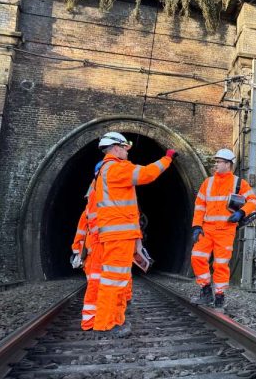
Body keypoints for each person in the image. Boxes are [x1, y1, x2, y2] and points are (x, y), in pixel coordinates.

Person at [92, 132, 177, 337]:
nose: (127, 151)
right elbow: (147, 174)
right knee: (114, 280)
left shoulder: (106, 170)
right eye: (125, 147)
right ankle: (107, 324)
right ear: (115, 148)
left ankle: (115, 319)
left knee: (118, 279)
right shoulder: (116, 168)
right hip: (118, 234)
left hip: (119, 234)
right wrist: (168, 158)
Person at [191, 148, 256, 308]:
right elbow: (199, 206)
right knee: (197, 257)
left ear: (228, 164)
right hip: (206, 229)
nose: (216, 164)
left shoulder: (238, 183)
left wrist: (241, 212)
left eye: (219, 162)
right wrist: (196, 226)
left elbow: (253, 201)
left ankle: (220, 295)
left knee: (220, 264)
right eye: (216, 161)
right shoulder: (207, 183)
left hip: (225, 231)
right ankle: (206, 290)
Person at [69, 161, 103, 330]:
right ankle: (90, 320)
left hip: (98, 249)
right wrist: (77, 252)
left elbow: (80, 231)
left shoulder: (92, 202)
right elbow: (82, 232)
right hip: (94, 250)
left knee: (100, 284)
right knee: (96, 284)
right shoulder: (96, 200)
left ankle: (98, 318)